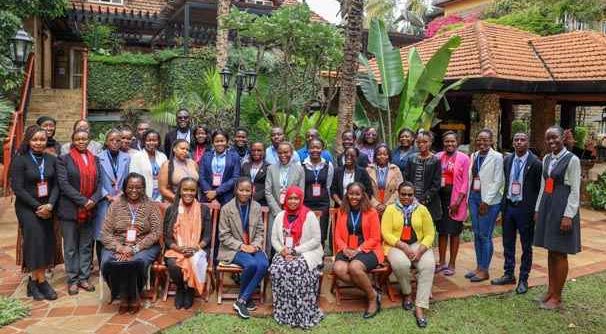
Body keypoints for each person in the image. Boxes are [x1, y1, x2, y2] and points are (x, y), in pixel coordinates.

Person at [534, 126, 581, 310]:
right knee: (551, 250)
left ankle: (558, 297)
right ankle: (550, 290)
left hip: (562, 208)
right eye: (548, 139)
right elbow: (542, 186)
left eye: (555, 138)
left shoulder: (572, 160)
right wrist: (538, 209)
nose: (551, 142)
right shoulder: (546, 158)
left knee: (560, 252)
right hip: (548, 206)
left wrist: (568, 215)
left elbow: (575, 191)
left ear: (563, 137)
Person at [100, 173, 162, 314]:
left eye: (138, 187)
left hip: (143, 245)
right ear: (125, 188)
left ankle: (133, 297)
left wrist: (134, 249)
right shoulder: (116, 205)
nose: (134, 190)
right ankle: (122, 295)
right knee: (108, 262)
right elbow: (105, 232)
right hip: (117, 243)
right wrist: (120, 248)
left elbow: (156, 232)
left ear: (143, 188)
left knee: (136, 262)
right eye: (130, 187)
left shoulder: (151, 205)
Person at [11, 125, 60, 301]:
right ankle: (41, 281)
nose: (39, 143)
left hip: (47, 206)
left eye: (42, 139)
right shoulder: (20, 159)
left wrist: (50, 205)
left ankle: (34, 282)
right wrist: (37, 207)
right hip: (27, 207)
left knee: (46, 242)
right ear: (28, 140)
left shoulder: (51, 159)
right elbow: (17, 188)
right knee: (35, 242)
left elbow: (56, 185)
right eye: (35, 139)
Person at [491, 132, 542, 294]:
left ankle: (523, 279)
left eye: (523, 140)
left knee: (526, 245)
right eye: (516, 140)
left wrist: (536, 209)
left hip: (525, 209)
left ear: (528, 142)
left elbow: (539, 188)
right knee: (508, 243)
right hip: (509, 207)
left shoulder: (536, 164)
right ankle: (508, 273)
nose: (519, 142)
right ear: (513, 143)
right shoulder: (507, 160)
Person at [381, 182, 435, 328]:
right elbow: (386, 233)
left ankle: (420, 307)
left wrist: (421, 250)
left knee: (428, 265)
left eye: (410, 194)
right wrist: (403, 246)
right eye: (403, 194)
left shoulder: (422, 209)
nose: (406, 197)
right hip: (396, 244)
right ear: (398, 194)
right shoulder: (390, 209)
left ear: (414, 195)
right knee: (401, 264)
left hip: (418, 244)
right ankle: (407, 293)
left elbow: (430, 234)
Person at [57, 129, 103, 295]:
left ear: (88, 140)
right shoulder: (63, 160)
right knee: (70, 247)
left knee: (85, 246)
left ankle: (84, 278)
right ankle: (73, 279)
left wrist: (94, 200)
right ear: (73, 141)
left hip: (90, 210)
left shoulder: (95, 160)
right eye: (78, 139)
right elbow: (64, 185)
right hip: (70, 210)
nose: (81, 141)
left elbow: (100, 183)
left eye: (84, 139)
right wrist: (84, 201)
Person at [270, 186, 324, 328]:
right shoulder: (280, 216)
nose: (293, 201)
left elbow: (316, 240)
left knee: (296, 268)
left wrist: (295, 251)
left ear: (301, 200)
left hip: (307, 253)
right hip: (284, 252)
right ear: (286, 200)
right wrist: (282, 251)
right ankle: (284, 312)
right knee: (276, 269)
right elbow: (274, 239)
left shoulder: (309, 215)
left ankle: (301, 312)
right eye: (290, 198)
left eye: (296, 198)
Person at [218, 178, 268, 319]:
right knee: (251, 264)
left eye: (247, 190)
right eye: (241, 190)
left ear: (252, 191)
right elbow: (224, 236)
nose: (244, 193)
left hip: (253, 246)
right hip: (233, 248)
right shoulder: (227, 208)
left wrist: (255, 245)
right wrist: (242, 246)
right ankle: (245, 299)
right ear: (235, 190)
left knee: (263, 264)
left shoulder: (256, 207)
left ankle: (242, 299)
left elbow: (259, 231)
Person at [333, 182, 383, 319]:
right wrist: (344, 248)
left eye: (357, 194)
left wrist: (359, 249)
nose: (354, 197)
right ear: (347, 195)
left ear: (363, 195)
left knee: (354, 267)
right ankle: (372, 291)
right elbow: (337, 235)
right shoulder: (342, 211)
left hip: (368, 249)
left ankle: (372, 299)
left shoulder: (371, 212)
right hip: (347, 249)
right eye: (351, 193)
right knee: (338, 268)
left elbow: (375, 238)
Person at [164, 178, 211, 310]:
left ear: (196, 192)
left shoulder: (204, 209)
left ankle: (190, 288)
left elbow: (207, 236)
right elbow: (167, 238)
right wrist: (179, 248)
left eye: (192, 190)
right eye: (185, 189)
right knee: (173, 264)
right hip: (177, 248)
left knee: (194, 260)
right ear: (180, 191)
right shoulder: (171, 210)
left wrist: (195, 247)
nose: (188, 193)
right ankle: (180, 288)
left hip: (197, 248)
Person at [466, 129, 504, 282]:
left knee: (485, 235)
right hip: (474, 198)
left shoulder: (497, 157)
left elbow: (498, 181)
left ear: (491, 141)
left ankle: (485, 270)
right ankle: (478, 266)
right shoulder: (474, 156)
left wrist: (486, 201)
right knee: (476, 233)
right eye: (479, 140)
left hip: (489, 201)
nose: (482, 143)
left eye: (485, 140)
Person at [434, 131, 470, 276]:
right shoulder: (438, 157)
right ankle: (442, 262)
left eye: (452, 141)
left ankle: (452, 263)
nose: (450, 144)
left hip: (456, 200)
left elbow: (466, 181)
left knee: (454, 232)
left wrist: (458, 201)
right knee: (442, 231)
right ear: (444, 143)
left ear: (457, 142)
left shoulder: (464, 158)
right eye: (447, 142)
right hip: (440, 199)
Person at [94, 129, 131, 268]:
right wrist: (107, 195)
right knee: (102, 233)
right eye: (112, 140)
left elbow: (128, 179)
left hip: (121, 200)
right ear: (106, 141)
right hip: (104, 201)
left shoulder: (126, 157)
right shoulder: (98, 157)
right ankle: (102, 266)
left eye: (118, 140)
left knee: (119, 232)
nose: (115, 143)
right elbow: (96, 180)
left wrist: (121, 193)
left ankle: (117, 263)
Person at [265, 142, 305, 254]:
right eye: (280, 152)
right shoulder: (271, 169)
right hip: (275, 211)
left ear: (291, 153)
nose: (283, 155)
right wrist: (278, 211)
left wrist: (290, 210)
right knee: (274, 239)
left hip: (293, 211)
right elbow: (268, 191)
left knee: (290, 239)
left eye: (286, 152)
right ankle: (272, 264)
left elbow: (301, 192)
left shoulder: (299, 169)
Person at [302, 138, 334, 250]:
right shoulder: (302, 165)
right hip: (306, 203)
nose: (315, 150)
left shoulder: (328, 165)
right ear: (308, 149)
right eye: (312, 147)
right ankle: (307, 254)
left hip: (323, 203)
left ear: (322, 149)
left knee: (322, 229)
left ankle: (320, 254)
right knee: (307, 229)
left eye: (318, 147)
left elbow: (328, 185)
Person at [404, 131, 442, 224]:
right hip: (410, 200)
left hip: (429, 201)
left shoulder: (435, 160)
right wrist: (411, 197)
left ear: (430, 142)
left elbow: (436, 184)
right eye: (419, 142)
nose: (421, 144)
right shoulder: (411, 158)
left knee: (427, 229)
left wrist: (422, 199)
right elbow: (406, 178)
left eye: (425, 142)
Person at [199, 129, 241, 205]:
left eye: (222, 141)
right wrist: (210, 192)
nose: (219, 143)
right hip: (207, 195)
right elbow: (202, 176)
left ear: (227, 142)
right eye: (217, 141)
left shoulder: (234, 157)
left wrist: (217, 191)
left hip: (226, 195)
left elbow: (235, 177)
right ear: (213, 142)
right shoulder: (206, 156)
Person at [129, 129, 168, 202]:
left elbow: (166, 179)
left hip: (161, 196)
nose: (152, 143)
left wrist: (161, 197)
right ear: (144, 141)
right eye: (149, 140)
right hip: (143, 196)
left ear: (158, 142)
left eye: (154, 140)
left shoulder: (163, 156)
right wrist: (144, 196)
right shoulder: (137, 157)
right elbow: (134, 179)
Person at [367, 144, 403, 216]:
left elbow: (399, 189)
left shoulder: (395, 169)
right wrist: (376, 204)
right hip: (373, 206)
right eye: (379, 154)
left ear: (389, 156)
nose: (382, 156)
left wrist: (387, 205)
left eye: (385, 154)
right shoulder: (368, 169)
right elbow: (365, 190)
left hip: (391, 206)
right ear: (375, 156)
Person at [241, 142, 270, 206]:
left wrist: (255, 197)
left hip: (262, 202)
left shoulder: (269, 167)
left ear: (264, 152)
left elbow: (269, 187)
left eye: (259, 150)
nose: (256, 152)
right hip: (244, 199)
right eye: (253, 150)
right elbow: (240, 182)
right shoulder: (245, 165)